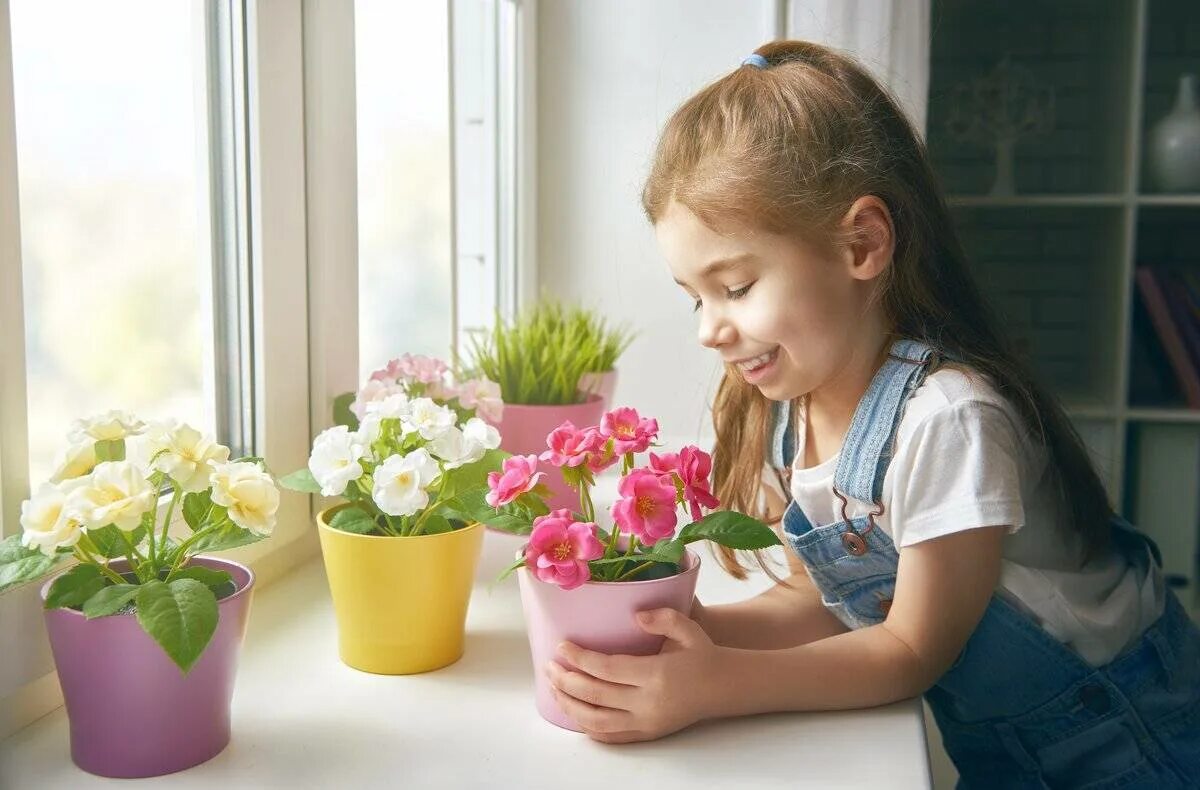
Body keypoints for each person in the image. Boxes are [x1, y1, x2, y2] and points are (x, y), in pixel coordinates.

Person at [543, 40, 1200, 787]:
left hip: (1134, 749)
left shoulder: (949, 421)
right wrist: (693, 633)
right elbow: (823, 601)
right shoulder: (799, 404)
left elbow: (910, 649)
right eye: (696, 296)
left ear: (862, 243)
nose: (708, 329)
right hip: (1011, 758)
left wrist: (716, 686)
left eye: (735, 286)